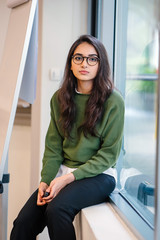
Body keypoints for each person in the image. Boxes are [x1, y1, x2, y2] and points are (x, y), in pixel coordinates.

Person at [10, 34, 124, 240]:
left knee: (57, 210)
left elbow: (109, 155)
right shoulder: (60, 98)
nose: (84, 63)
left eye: (92, 58)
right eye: (78, 57)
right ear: (70, 63)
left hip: (100, 174)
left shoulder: (113, 101)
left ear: (101, 64)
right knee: (23, 223)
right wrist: (45, 181)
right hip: (64, 172)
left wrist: (67, 179)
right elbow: (53, 148)